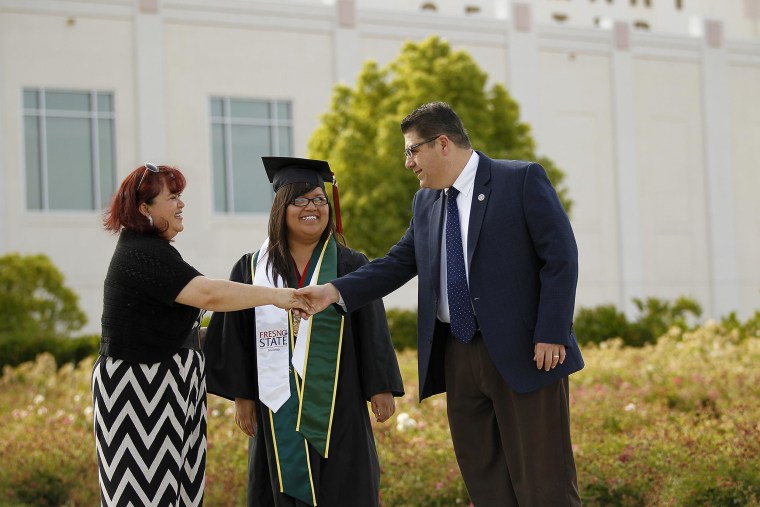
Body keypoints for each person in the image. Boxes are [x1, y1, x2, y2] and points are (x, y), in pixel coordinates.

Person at [298, 102, 584, 506]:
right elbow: (399, 262)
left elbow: (560, 257)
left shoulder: (519, 179)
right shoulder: (426, 203)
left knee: (544, 485)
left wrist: (552, 332)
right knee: (485, 482)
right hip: (457, 354)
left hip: (529, 355)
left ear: (443, 144)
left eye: (412, 150)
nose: (408, 163)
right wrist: (334, 291)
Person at [92, 163, 311, 507]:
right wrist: (277, 297)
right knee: (145, 496)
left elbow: (181, 329)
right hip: (140, 395)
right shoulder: (141, 252)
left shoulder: (155, 251)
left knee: (178, 494)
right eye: (173, 196)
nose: (181, 204)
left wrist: (261, 328)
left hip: (169, 390)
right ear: (143, 208)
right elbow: (208, 294)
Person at [203, 157, 404, 507]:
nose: (312, 208)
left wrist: (380, 386)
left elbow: (371, 327)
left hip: (339, 404)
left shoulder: (349, 264)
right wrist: (243, 396)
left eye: (319, 200)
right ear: (281, 207)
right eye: (300, 200)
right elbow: (235, 336)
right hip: (275, 405)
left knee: (344, 488)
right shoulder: (252, 268)